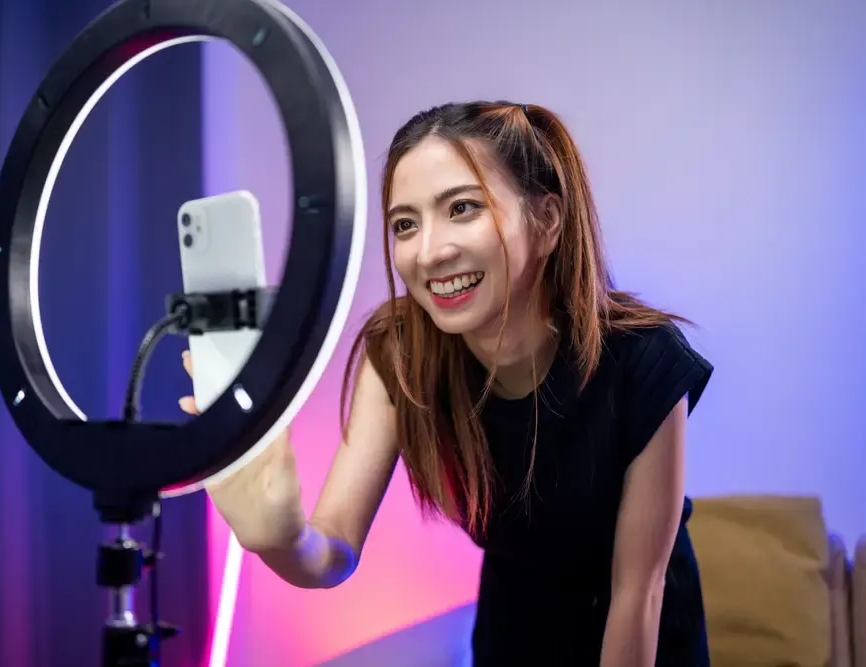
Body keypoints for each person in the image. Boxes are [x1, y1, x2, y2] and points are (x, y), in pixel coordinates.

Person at [179, 101, 713, 666]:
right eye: (405, 224)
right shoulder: (401, 354)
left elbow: (638, 592)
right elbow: (332, 549)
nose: (430, 252)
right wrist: (282, 540)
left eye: (463, 208)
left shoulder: (644, 358)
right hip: (511, 635)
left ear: (547, 220)